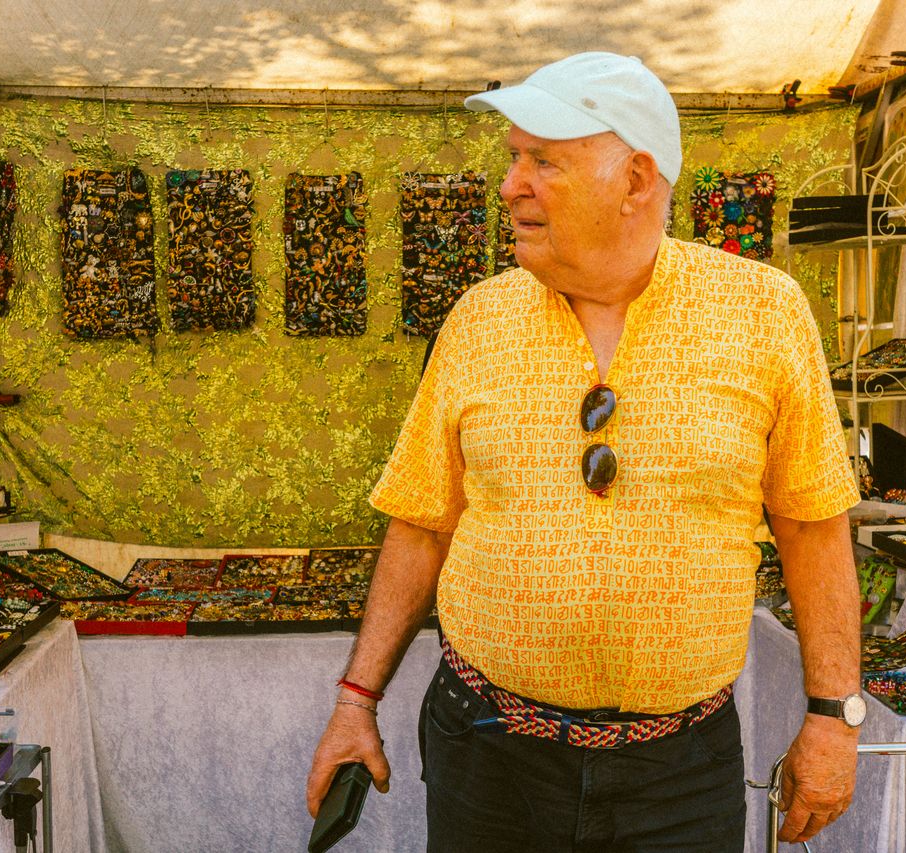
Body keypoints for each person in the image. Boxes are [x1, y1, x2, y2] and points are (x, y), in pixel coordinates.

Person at [307, 51, 863, 852]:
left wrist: (835, 717)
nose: (511, 184)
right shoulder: (477, 319)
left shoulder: (764, 316)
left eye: (544, 161)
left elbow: (814, 524)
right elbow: (423, 521)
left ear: (636, 179)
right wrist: (356, 700)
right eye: (513, 158)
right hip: (487, 753)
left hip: (680, 770)